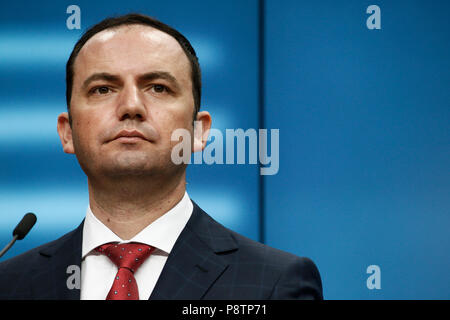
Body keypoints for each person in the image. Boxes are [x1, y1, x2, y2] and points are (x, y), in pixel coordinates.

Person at [0, 13, 323, 300]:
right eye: (102, 89)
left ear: (198, 131)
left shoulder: (274, 284)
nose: (131, 107)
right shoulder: (10, 283)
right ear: (67, 132)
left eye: (157, 88)